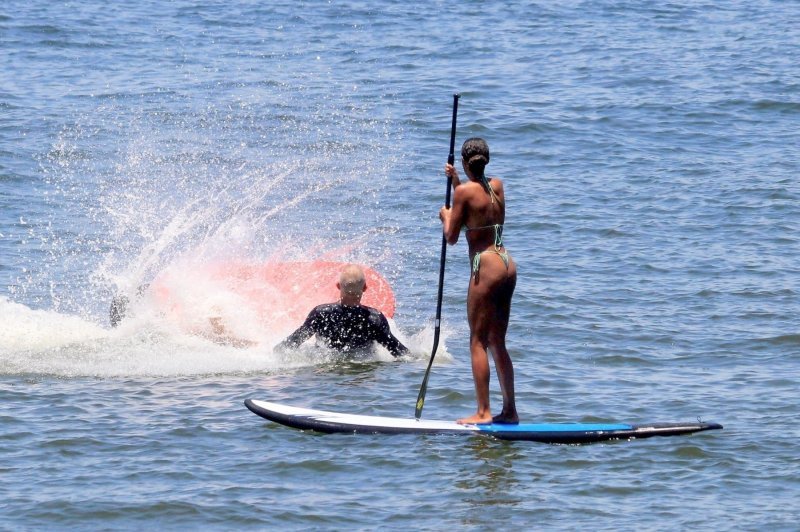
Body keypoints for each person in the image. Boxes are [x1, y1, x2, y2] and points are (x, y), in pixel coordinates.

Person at [439, 137, 518, 424]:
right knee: (498, 341)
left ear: (463, 161)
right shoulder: (496, 186)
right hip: (506, 264)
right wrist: (457, 182)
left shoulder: (463, 196)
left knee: (477, 341)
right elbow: (477, 199)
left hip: (484, 266)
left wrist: (446, 215)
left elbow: (452, 237)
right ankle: (510, 411)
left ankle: (483, 412)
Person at [275, 264, 409, 358]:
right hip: (362, 371)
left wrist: (272, 350)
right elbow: (400, 353)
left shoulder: (321, 313)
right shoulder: (374, 319)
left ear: (338, 286)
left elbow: (292, 343)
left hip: (327, 371)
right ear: (365, 288)